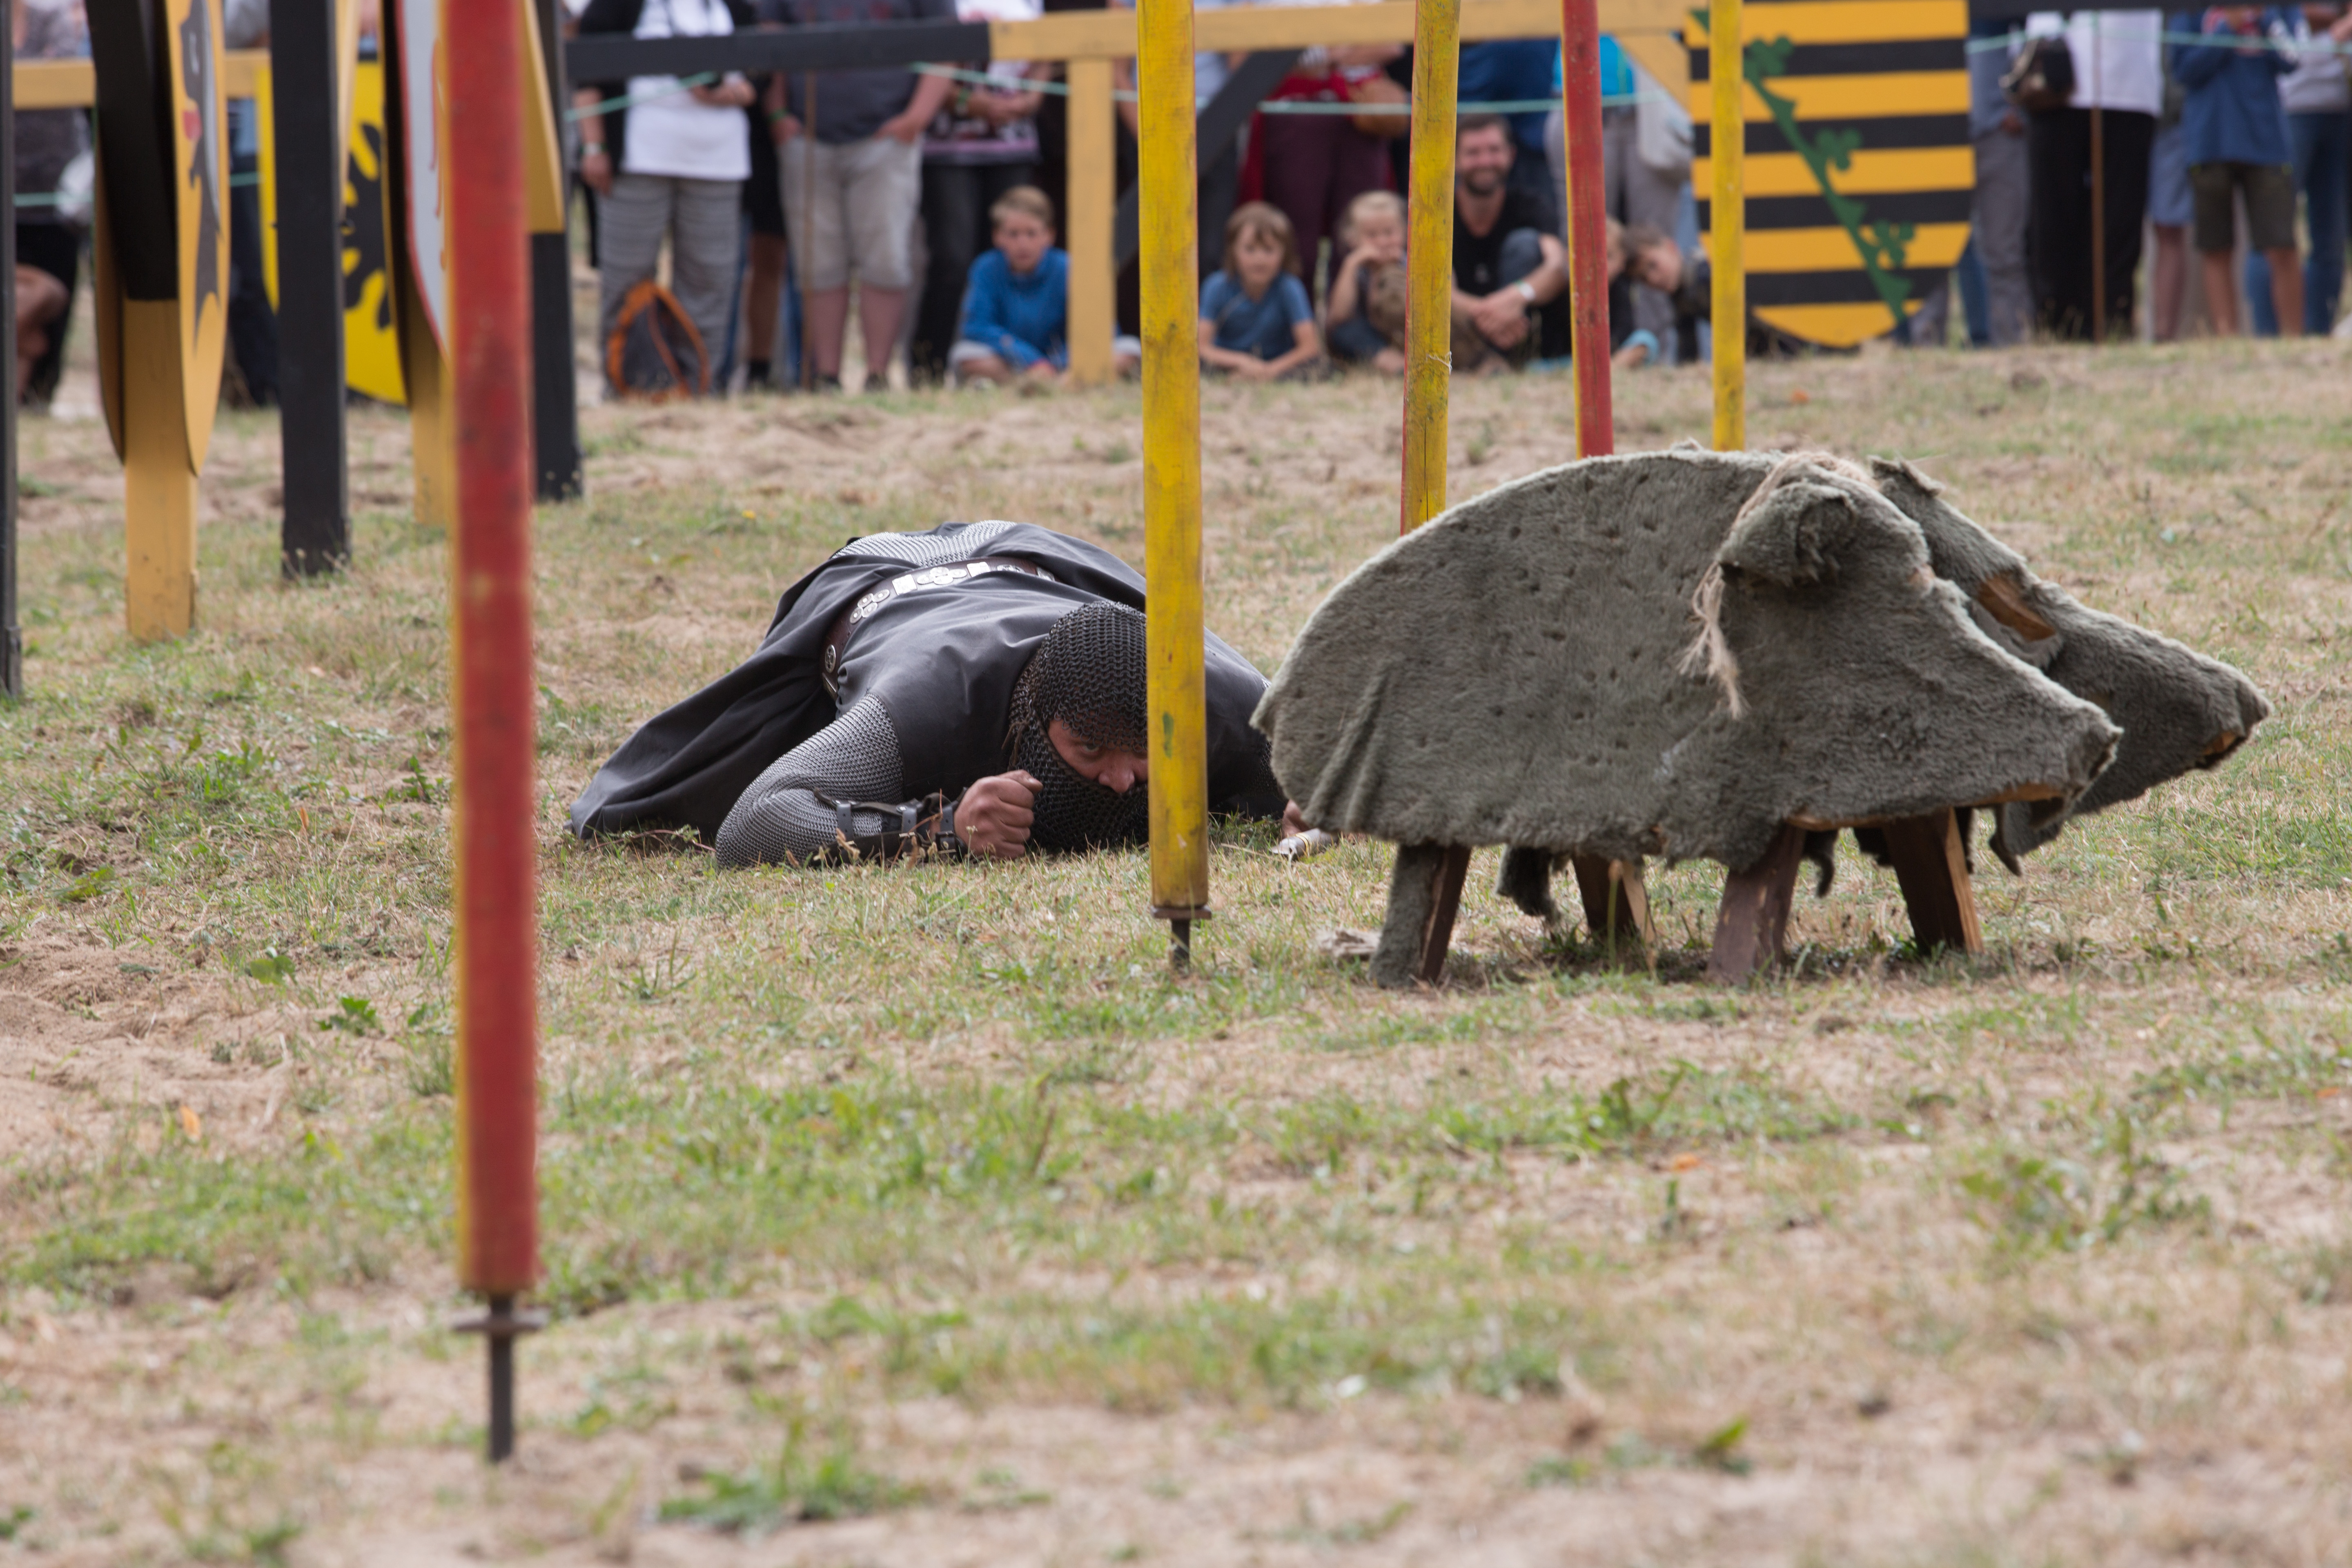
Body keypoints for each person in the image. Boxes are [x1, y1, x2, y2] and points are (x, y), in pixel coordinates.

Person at [569, 521, 1290, 864]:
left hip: (1028, 554)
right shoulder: (926, 700)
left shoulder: (1205, 697)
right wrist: (938, 830)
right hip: (878, 576)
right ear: (1032, 719)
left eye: (1144, 750)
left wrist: (1316, 796)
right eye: (1091, 750)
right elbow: (754, 824)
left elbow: (1318, 746)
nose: (1123, 780)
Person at [761, 0, 957, 392]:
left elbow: (947, 46)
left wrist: (916, 118)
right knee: (819, 261)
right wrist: (778, 114)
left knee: (886, 258)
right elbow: (769, 44)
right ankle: (826, 376)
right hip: (808, 136)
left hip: (887, 135)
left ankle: (877, 374)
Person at [575, 0, 757, 390]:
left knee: (709, 281)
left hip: (719, 162)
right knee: (626, 280)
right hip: (638, 162)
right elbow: (586, 65)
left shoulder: (736, 7)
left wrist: (733, 93)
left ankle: (698, 391)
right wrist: (594, 146)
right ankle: (626, 389)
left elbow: (763, 66)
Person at [912, 0, 1049, 382]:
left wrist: (1032, 98)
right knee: (952, 261)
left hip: (1013, 143)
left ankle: (1010, 366)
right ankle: (928, 368)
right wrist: (964, 101)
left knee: (1011, 255)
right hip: (949, 147)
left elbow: (1047, 47)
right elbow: (920, 56)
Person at [2022, 9, 2164, 340]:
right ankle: (2055, 329)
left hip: (2129, 85)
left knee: (2119, 222)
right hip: (2055, 79)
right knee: (2052, 221)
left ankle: (2113, 326)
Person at [2173, 5, 2304, 335]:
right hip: (2209, 139)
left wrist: (2265, 18)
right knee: (2216, 247)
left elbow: (2293, 58)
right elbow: (2183, 69)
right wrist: (2226, 28)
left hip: (2266, 140)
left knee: (2282, 244)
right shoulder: (2189, 11)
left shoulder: (2275, 10)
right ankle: (2227, 341)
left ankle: (2294, 340)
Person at [1251, 40, 1403, 297]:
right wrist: (1344, 54)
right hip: (1294, 109)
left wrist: (1326, 58)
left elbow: (1391, 45)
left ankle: (1356, 316)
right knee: (1298, 236)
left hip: (1362, 111)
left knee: (1363, 230)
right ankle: (1299, 317)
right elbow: (1257, 59)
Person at [949, 186, 1138, 382]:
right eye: (1013, 234)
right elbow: (976, 326)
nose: (1023, 244)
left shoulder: (1068, 268)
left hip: (1065, 363)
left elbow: (1102, 329)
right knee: (966, 355)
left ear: (1050, 235)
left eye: (1031, 234)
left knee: (1129, 349)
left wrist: (1056, 363)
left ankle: (1054, 384)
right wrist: (1031, 360)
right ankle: (1045, 385)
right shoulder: (986, 267)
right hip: (1013, 361)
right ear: (997, 236)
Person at [2247, 3, 2350, 333]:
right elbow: (2287, 40)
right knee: (2272, 232)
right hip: (2289, 111)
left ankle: (2318, 334)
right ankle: (2268, 336)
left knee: (2332, 236)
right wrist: (2338, 26)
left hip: (2341, 109)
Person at [12, 0, 88, 406]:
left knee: (47, 298)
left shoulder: (51, 16)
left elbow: (63, 72)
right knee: (35, 300)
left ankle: (35, 396)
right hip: (14, 196)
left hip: (54, 193)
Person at [1452, 116, 1568, 366]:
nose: (1485, 161)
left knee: (1525, 243)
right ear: (1454, 160)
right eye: (1473, 153)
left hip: (1522, 330)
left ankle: (1509, 359)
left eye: (1494, 150)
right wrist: (1492, 312)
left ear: (1511, 155)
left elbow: (1558, 266)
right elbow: (1419, 284)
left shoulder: (1531, 204)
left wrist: (1517, 296)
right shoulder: (1438, 213)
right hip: (1459, 335)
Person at [1199, 202, 1323, 380]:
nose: (1260, 259)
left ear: (1285, 252)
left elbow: (1310, 347)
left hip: (1279, 364)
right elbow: (1201, 346)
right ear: (1233, 251)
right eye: (1250, 249)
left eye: (1269, 250)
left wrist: (1269, 370)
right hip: (1226, 362)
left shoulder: (1290, 287)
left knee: (1319, 368)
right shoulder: (1216, 286)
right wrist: (1242, 362)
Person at [1968, 18, 2035, 345]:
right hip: (1937, 140)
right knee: (1930, 255)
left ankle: (2014, 345)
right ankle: (1924, 351)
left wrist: (2020, 108)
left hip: (1999, 134)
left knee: (2005, 252)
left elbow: (2033, 36)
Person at [1325, 190, 1407, 372]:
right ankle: (1390, 361)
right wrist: (1351, 264)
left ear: (1404, 232)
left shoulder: (1410, 265)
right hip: (1370, 340)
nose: (1382, 242)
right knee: (1345, 332)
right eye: (1372, 235)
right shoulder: (1356, 268)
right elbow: (1337, 317)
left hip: (1404, 334)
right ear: (1352, 239)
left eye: (1389, 233)